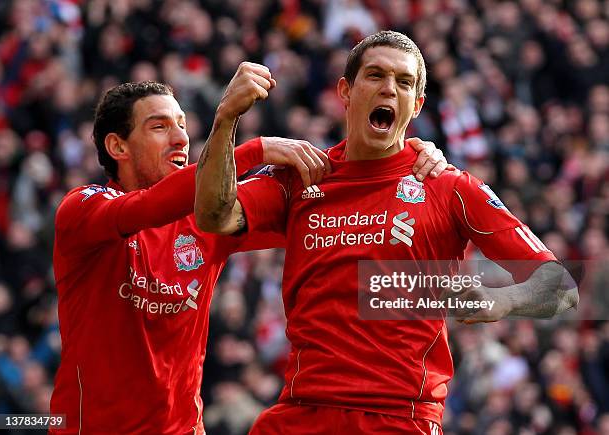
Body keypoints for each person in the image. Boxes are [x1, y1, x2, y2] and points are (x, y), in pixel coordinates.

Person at [195, 31, 579, 434]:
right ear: (346, 90)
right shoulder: (303, 178)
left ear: (417, 105)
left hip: (398, 418)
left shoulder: (449, 187)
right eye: (375, 75)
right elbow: (212, 216)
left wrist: (504, 300)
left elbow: (561, 288)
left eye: (404, 82)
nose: (389, 89)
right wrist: (225, 122)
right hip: (302, 410)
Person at [50, 80, 447, 434]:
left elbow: (323, 200)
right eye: (159, 127)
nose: (180, 139)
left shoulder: (204, 220)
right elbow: (148, 207)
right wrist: (254, 150)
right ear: (117, 146)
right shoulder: (84, 211)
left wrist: (401, 158)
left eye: (183, 125)